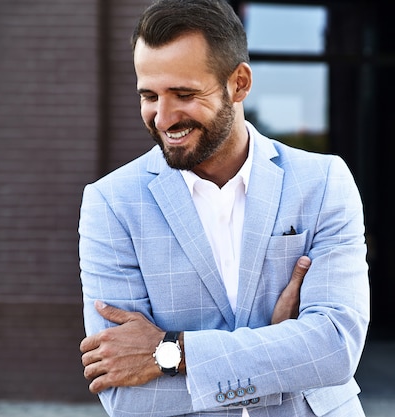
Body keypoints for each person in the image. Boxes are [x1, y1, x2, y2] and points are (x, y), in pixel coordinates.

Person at [78, 0, 370, 416]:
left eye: (184, 94)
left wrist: (171, 354)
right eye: (149, 95)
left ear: (239, 83)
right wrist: (282, 355)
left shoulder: (322, 182)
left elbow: (335, 349)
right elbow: (127, 395)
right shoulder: (111, 204)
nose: (163, 118)